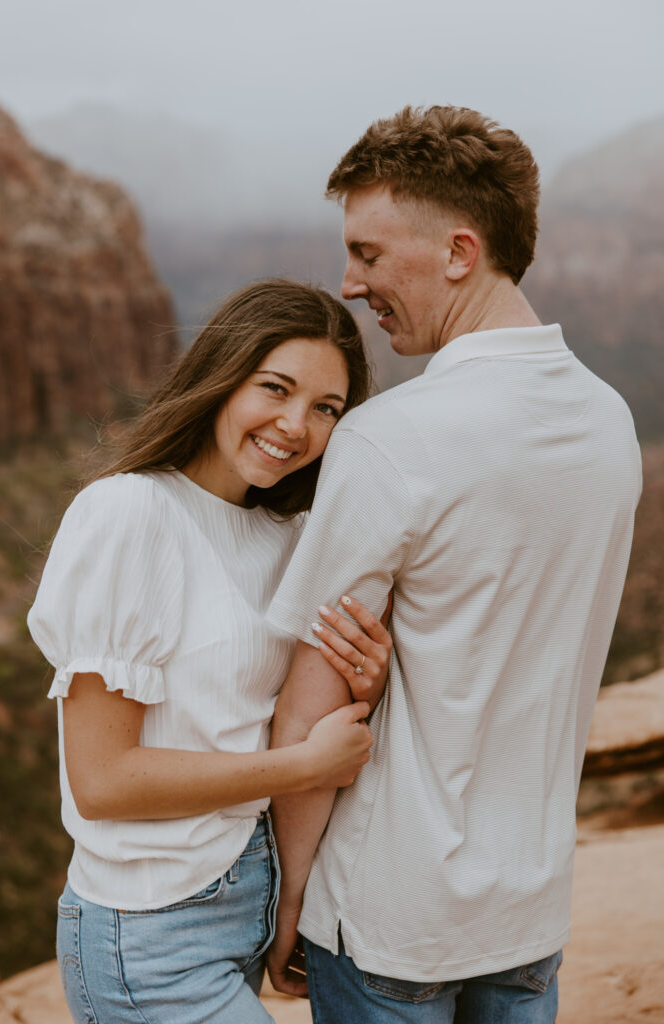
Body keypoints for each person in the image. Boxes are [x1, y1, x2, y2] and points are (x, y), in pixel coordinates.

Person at [265, 107, 642, 1023]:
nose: (351, 284)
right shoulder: (609, 423)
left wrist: (289, 903)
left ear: (459, 252)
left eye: (368, 253)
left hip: (390, 919)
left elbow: (313, 704)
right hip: (528, 920)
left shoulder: (389, 440)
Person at [27, 278, 394, 1024]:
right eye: (275, 388)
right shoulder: (131, 512)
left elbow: (273, 712)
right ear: (223, 375)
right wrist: (301, 766)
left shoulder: (288, 536)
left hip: (244, 901)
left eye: (325, 408)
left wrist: (368, 681)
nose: (295, 425)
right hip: (148, 933)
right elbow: (101, 780)